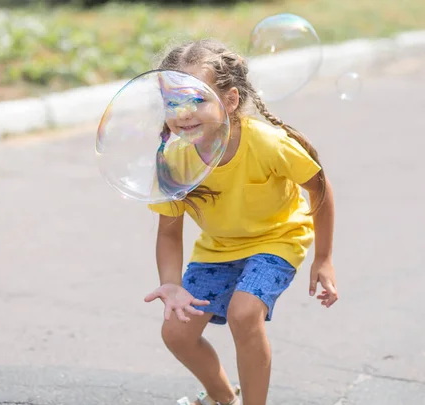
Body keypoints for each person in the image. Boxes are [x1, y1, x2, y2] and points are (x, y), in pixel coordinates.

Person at [143, 38, 338, 405]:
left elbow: (320, 190)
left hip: (277, 238)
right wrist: (170, 284)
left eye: (197, 99)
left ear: (230, 100)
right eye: (173, 102)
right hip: (218, 248)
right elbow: (168, 233)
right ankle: (222, 397)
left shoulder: (267, 143)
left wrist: (323, 258)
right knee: (176, 333)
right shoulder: (174, 160)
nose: (184, 112)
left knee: (244, 313)